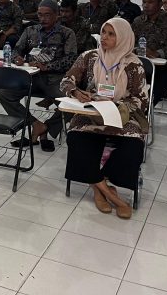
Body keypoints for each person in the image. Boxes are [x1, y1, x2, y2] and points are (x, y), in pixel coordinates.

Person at [60, 18, 149, 220]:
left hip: (123, 117)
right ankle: (108, 192)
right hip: (90, 115)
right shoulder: (89, 57)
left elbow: (140, 100)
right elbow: (66, 80)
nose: (105, 38)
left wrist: (115, 106)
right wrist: (75, 92)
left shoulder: (134, 64)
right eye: (103, 32)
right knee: (76, 139)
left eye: (111, 34)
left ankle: (99, 187)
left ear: (123, 38)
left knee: (132, 146)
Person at [0, 0, 77, 151]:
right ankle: (35, 124)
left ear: (56, 15)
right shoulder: (30, 30)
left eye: (47, 15)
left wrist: (48, 66)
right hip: (30, 77)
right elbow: (16, 50)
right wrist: (17, 58)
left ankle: (47, 127)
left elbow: (71, 59)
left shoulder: (67, 33)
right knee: (3, 95)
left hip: (55, 79)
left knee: (72, 106)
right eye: (40, 15)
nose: (43, 19)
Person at [132, 0, 167, 102]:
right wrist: (137, 50)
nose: (146, 5)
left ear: (160, 4)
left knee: (154, 90)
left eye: (150, 2)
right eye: (144, 2)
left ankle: (145, 112)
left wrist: (157, 53)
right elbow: (131, 42)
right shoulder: (138, 21)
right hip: (143, 63)